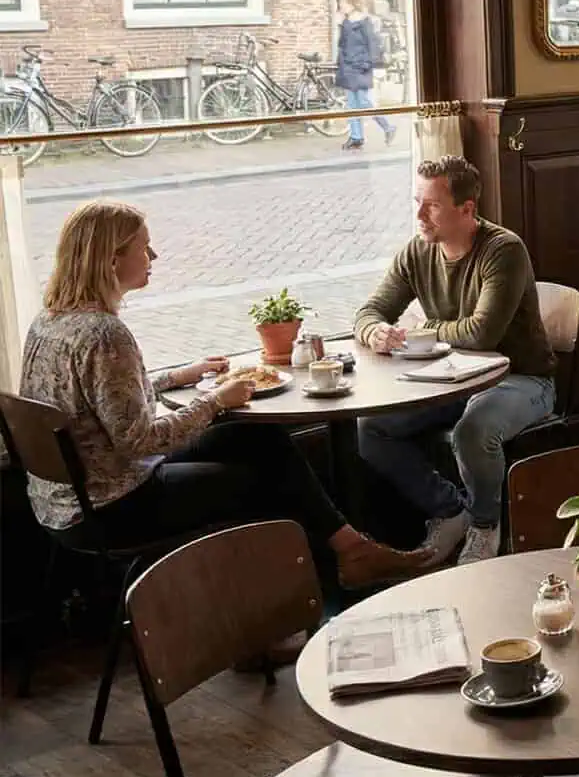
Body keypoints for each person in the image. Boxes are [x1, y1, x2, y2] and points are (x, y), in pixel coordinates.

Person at [13, 201, 425, 593]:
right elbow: (141, 440)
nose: (153, 256)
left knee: (254, 438)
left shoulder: (49, 322)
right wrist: (214, 402)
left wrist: (178, 377)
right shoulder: (105, 334)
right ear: (111, 260)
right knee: (259, 483)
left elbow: (99, 403)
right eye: (144, 246)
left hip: (64, 503)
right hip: (113, 507)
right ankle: (258, 623)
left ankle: (353, 552)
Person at [353, 156, 557, 567]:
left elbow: (482, 335)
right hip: (452, 380)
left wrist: (422, 327)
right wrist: (373, 331)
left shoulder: (503, 250)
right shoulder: (417, 252)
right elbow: (370, 309)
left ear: (466, 209)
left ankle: (485, 527)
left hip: (522, 379)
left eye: (431, 205)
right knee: (371, 428)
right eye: (417, 201)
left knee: (473, 429)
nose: (418, 215)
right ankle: (451, 510)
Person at [336, 0, 394, 152]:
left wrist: (369, 63)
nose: (341, 6)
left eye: (344, 3)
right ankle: (356, 137)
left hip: (360, 66)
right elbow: (342, 45)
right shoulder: (346, 22)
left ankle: (388, 127)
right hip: (348, 67)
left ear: (353, 4)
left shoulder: (365, 22)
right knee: (351, 104)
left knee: (363, 102)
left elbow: (372, 44)